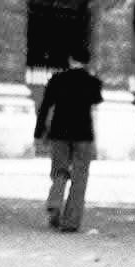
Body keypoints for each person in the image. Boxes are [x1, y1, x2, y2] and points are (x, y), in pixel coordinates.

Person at [33, 45, 103, 233]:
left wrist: (39, 131)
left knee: (59, 171)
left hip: (59, 132)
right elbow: (96, 100)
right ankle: (71, 222)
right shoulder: (93, 82)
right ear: (86, 61)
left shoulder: (57, 80)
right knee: (80, 178)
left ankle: (55, 202)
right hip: (83, 134)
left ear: (70, 59)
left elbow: (46, 106)